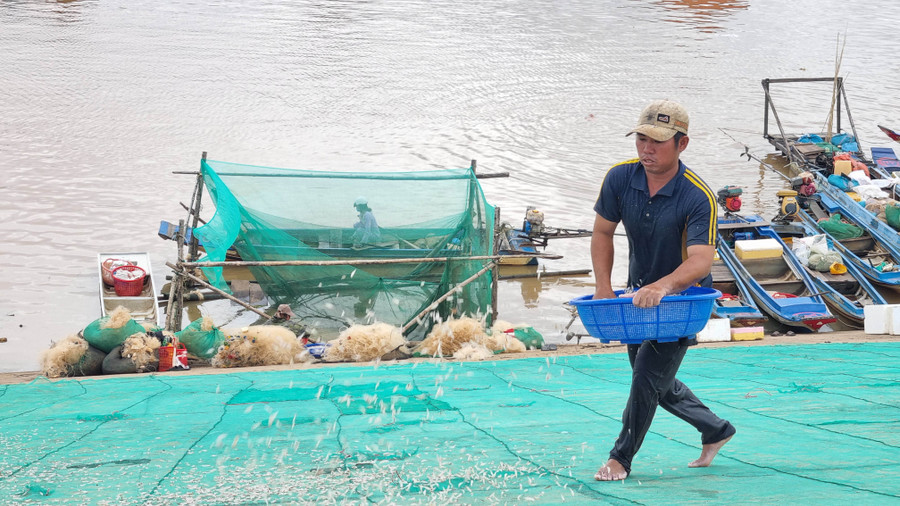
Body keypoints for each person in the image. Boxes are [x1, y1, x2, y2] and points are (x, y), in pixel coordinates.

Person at [591, 99, 736, 481]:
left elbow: (702, 260)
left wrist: (664, 286)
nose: (646, 149)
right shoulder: (620, 178)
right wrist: (603, 288)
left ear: (682, 144)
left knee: (645, 378)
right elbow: (603, 232)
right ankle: (716, 429)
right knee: (656, 381)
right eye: (641, 138)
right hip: (637, 297)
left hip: (683, 301)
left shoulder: (697, 195)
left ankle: (621, 458)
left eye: (657, 141)